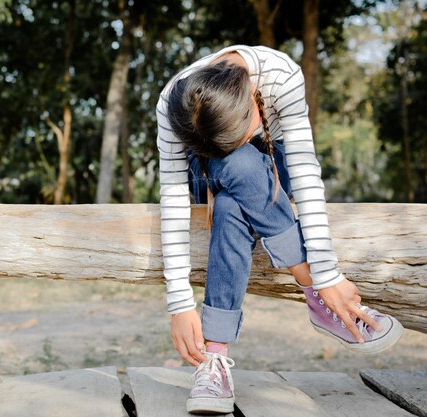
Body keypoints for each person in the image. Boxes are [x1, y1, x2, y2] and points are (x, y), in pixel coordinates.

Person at [156, 44, 405, 415]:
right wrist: (178, 305)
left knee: (235, 181)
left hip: (272, 158)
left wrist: (328, 271)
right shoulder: (171, 103)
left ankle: (216, 357)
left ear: (255, 104)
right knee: (233, 177)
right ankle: (317, 301)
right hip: (205, 172)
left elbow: (304, 171)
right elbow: (173, 200)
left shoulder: (281, 75)